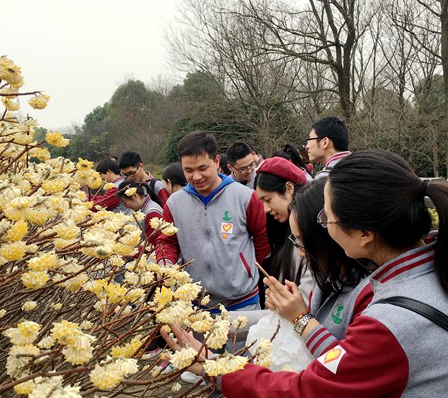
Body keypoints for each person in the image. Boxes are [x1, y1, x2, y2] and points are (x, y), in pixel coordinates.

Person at [163, 150, 448, 396]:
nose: (322, 227)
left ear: (364, 234)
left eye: (326, 218)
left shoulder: (388, 321)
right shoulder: (428, 270)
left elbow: (308, 390)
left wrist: (218, 368)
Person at [155, 131, 270, 313]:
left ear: (217, 162)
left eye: (202, 168)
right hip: (197, 306)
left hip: (243, 303)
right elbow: (167, 241)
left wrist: (243, 271)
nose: (196, 177)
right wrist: (165, 263)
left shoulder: (245, 197)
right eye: (189, 170)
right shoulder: (174, 203)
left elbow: (262, 240)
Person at [265, 178, 373, 358]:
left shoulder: (370, 294)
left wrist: (300, 317)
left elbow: (344, 365)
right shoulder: (327, 277)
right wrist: (285, 309)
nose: (300, 253)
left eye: (303, 242)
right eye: (295, 241)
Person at [254, 157, 313, 302]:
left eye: (268, 200)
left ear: (289, 188)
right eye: (261, 202)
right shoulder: (281, 230)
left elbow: (302, 307)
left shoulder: (309, 236)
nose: (265, 209)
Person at [116, 180, 163, 247]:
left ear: (135, 195)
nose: (126, 206)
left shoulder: (152, 213)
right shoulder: (143, 210)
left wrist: (132, 255)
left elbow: (150, 244)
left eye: (125, 202)